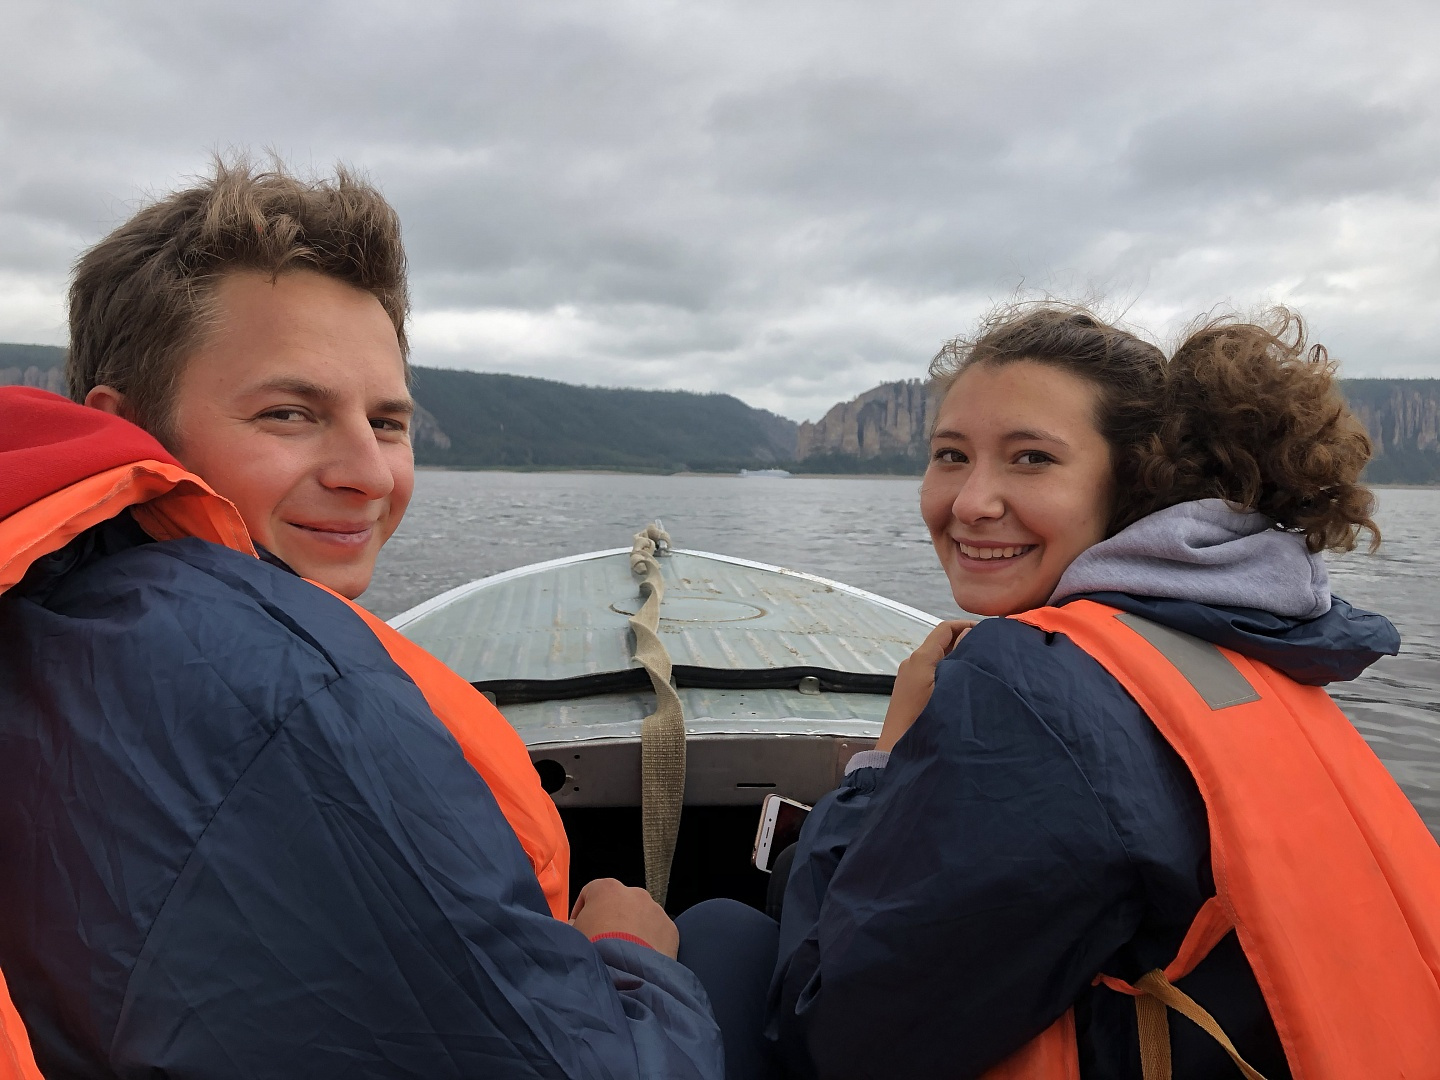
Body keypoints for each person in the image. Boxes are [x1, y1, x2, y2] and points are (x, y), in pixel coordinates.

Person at [0, 159, 726, 1078]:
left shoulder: (55, 606)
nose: (370, 475)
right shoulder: (287, 697)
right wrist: (634, 957)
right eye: (289, 413)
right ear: (132, 425)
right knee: (725, 933)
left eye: (387, 423)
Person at [768, 306, 1440, 1079]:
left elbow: (834, 1038)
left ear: (1135, 481)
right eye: (951, 455)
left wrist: (881, 765)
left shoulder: (1031, 686)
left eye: (1031, 459)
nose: (971, 502)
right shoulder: (1245, 638)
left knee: (718, 928)